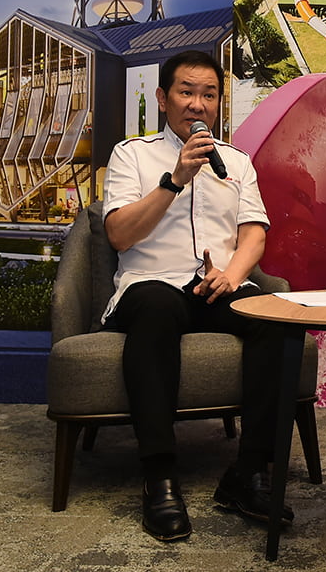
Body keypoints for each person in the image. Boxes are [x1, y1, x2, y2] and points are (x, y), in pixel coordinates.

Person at [102, 49, 288, 542]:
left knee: (274, 318)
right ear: (163, 98)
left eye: (209, 95)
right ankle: (159, 478)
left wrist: (233, 273)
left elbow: (255, 233)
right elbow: (119, 235)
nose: (197, 104)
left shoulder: (238, 163)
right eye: (186, 92)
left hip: (216, 287)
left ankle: (249, 473)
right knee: (159, 306)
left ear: (218, 104)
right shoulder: (131, 154)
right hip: (151, 285)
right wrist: (175, 179)